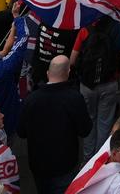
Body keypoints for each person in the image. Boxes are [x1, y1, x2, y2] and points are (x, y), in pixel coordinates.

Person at [17, 55, 92, 194]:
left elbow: (21, 132)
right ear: (68, 73)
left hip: (38, 164)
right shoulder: (74, 98)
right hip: (65, 164)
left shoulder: (31, 99)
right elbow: (85, 130)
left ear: (47, 73)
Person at [71, 15, 120, 160]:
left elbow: (72, 59)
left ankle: (88, 158)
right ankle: (100, 159)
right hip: (110, 82)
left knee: (89, 120)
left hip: (87, 85)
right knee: (105, 122)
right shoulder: (118, 28)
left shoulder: (85, 29)